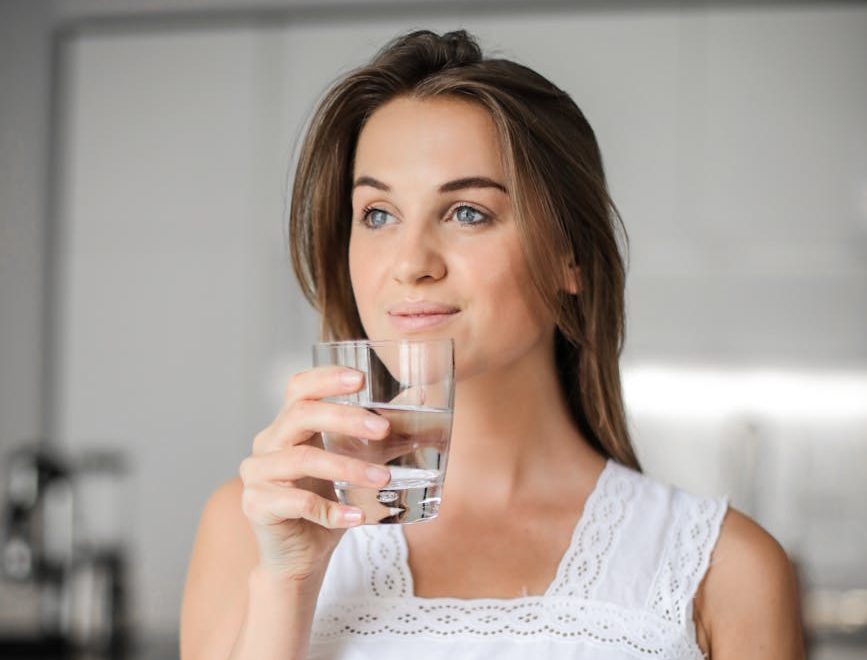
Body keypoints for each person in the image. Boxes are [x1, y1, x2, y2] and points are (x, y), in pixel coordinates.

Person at [180, 29, 804, 660]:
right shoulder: (254, 527)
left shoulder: (726, 570)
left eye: (467, 212)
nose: (410, 263)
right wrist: (288, 585)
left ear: (571, 256)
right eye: (377, 214)